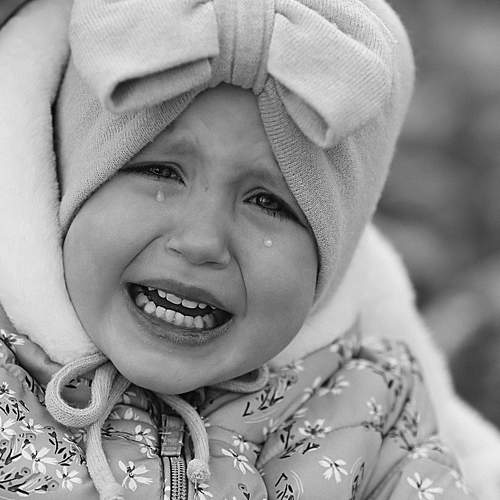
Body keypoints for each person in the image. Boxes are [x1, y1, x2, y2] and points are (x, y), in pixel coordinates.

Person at [0, 0, 494, 498]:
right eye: (161, 172)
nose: (201, 241)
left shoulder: (373, 416)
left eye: (267, 202)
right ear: (57, 183)